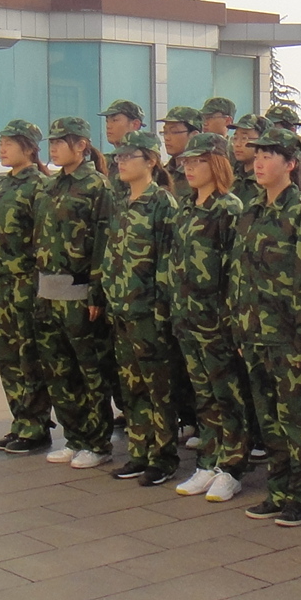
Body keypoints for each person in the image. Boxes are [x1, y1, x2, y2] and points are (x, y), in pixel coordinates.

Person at [231, 127, 301, 525]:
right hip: (255, 332)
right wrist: (239, 326)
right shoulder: (251, 209)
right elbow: (239, 272)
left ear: (290, 164)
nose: (258, 163)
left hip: (289, 337)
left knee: (298, 419)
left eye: (268, 156)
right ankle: (280, 489)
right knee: (268, 418)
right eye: (257, 156)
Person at [166, 132, 251, 501]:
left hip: (216, 321)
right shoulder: (185, 207)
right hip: (187, 318)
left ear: (217, 163)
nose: (190, 168)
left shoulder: (228, 209)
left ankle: (231, 467)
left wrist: (232, 321)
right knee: (203, 396)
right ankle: (208, 461)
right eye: (187, 161)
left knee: (227, 396)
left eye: (198, 161)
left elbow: (236, 272)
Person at [97, 130, 182, 487]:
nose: (120, 162)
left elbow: (168, 261)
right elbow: (111, 254)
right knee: (131, 386)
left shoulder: (162, 203)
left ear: (150, 161)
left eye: (128, 157)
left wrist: (162, 311)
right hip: (122, 309)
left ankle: (163, 458)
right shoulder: (121, 201)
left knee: (157, 387)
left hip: (149, 311)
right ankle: (140, 451)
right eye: (118, 156)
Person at [32, 116, 117, 470]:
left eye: (60, 142)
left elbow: (104, 241)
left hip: (79, 290)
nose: (53, 148)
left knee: (90, 372)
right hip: (48, 290)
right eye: (51, 142)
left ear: (81, 145)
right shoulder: (51, 185)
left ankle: (97, 442)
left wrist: (97, 292)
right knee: (58, 370)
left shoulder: (97, 186)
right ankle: (75, 437)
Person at [0, 119, 54, 456]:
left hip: (24, 283)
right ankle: (20, 420)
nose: (2, 148)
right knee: (7, 357)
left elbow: (43, 238)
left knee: (28, 357)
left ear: (29, 148)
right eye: (1, 142)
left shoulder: (38, 186)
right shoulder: (5, 184)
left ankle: (36, 426)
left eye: (9, 143)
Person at [157, 106, 201, 200]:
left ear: (194, 136)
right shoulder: (161, 174)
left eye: (174, 132)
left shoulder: (201, 174)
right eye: (165, 132)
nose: (167, 138)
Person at [100, 100, 145, 178]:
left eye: (115, 120)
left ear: (135, 124)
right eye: (107, 121)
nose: (108, 126)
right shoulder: (104, 163)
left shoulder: (145, 162)